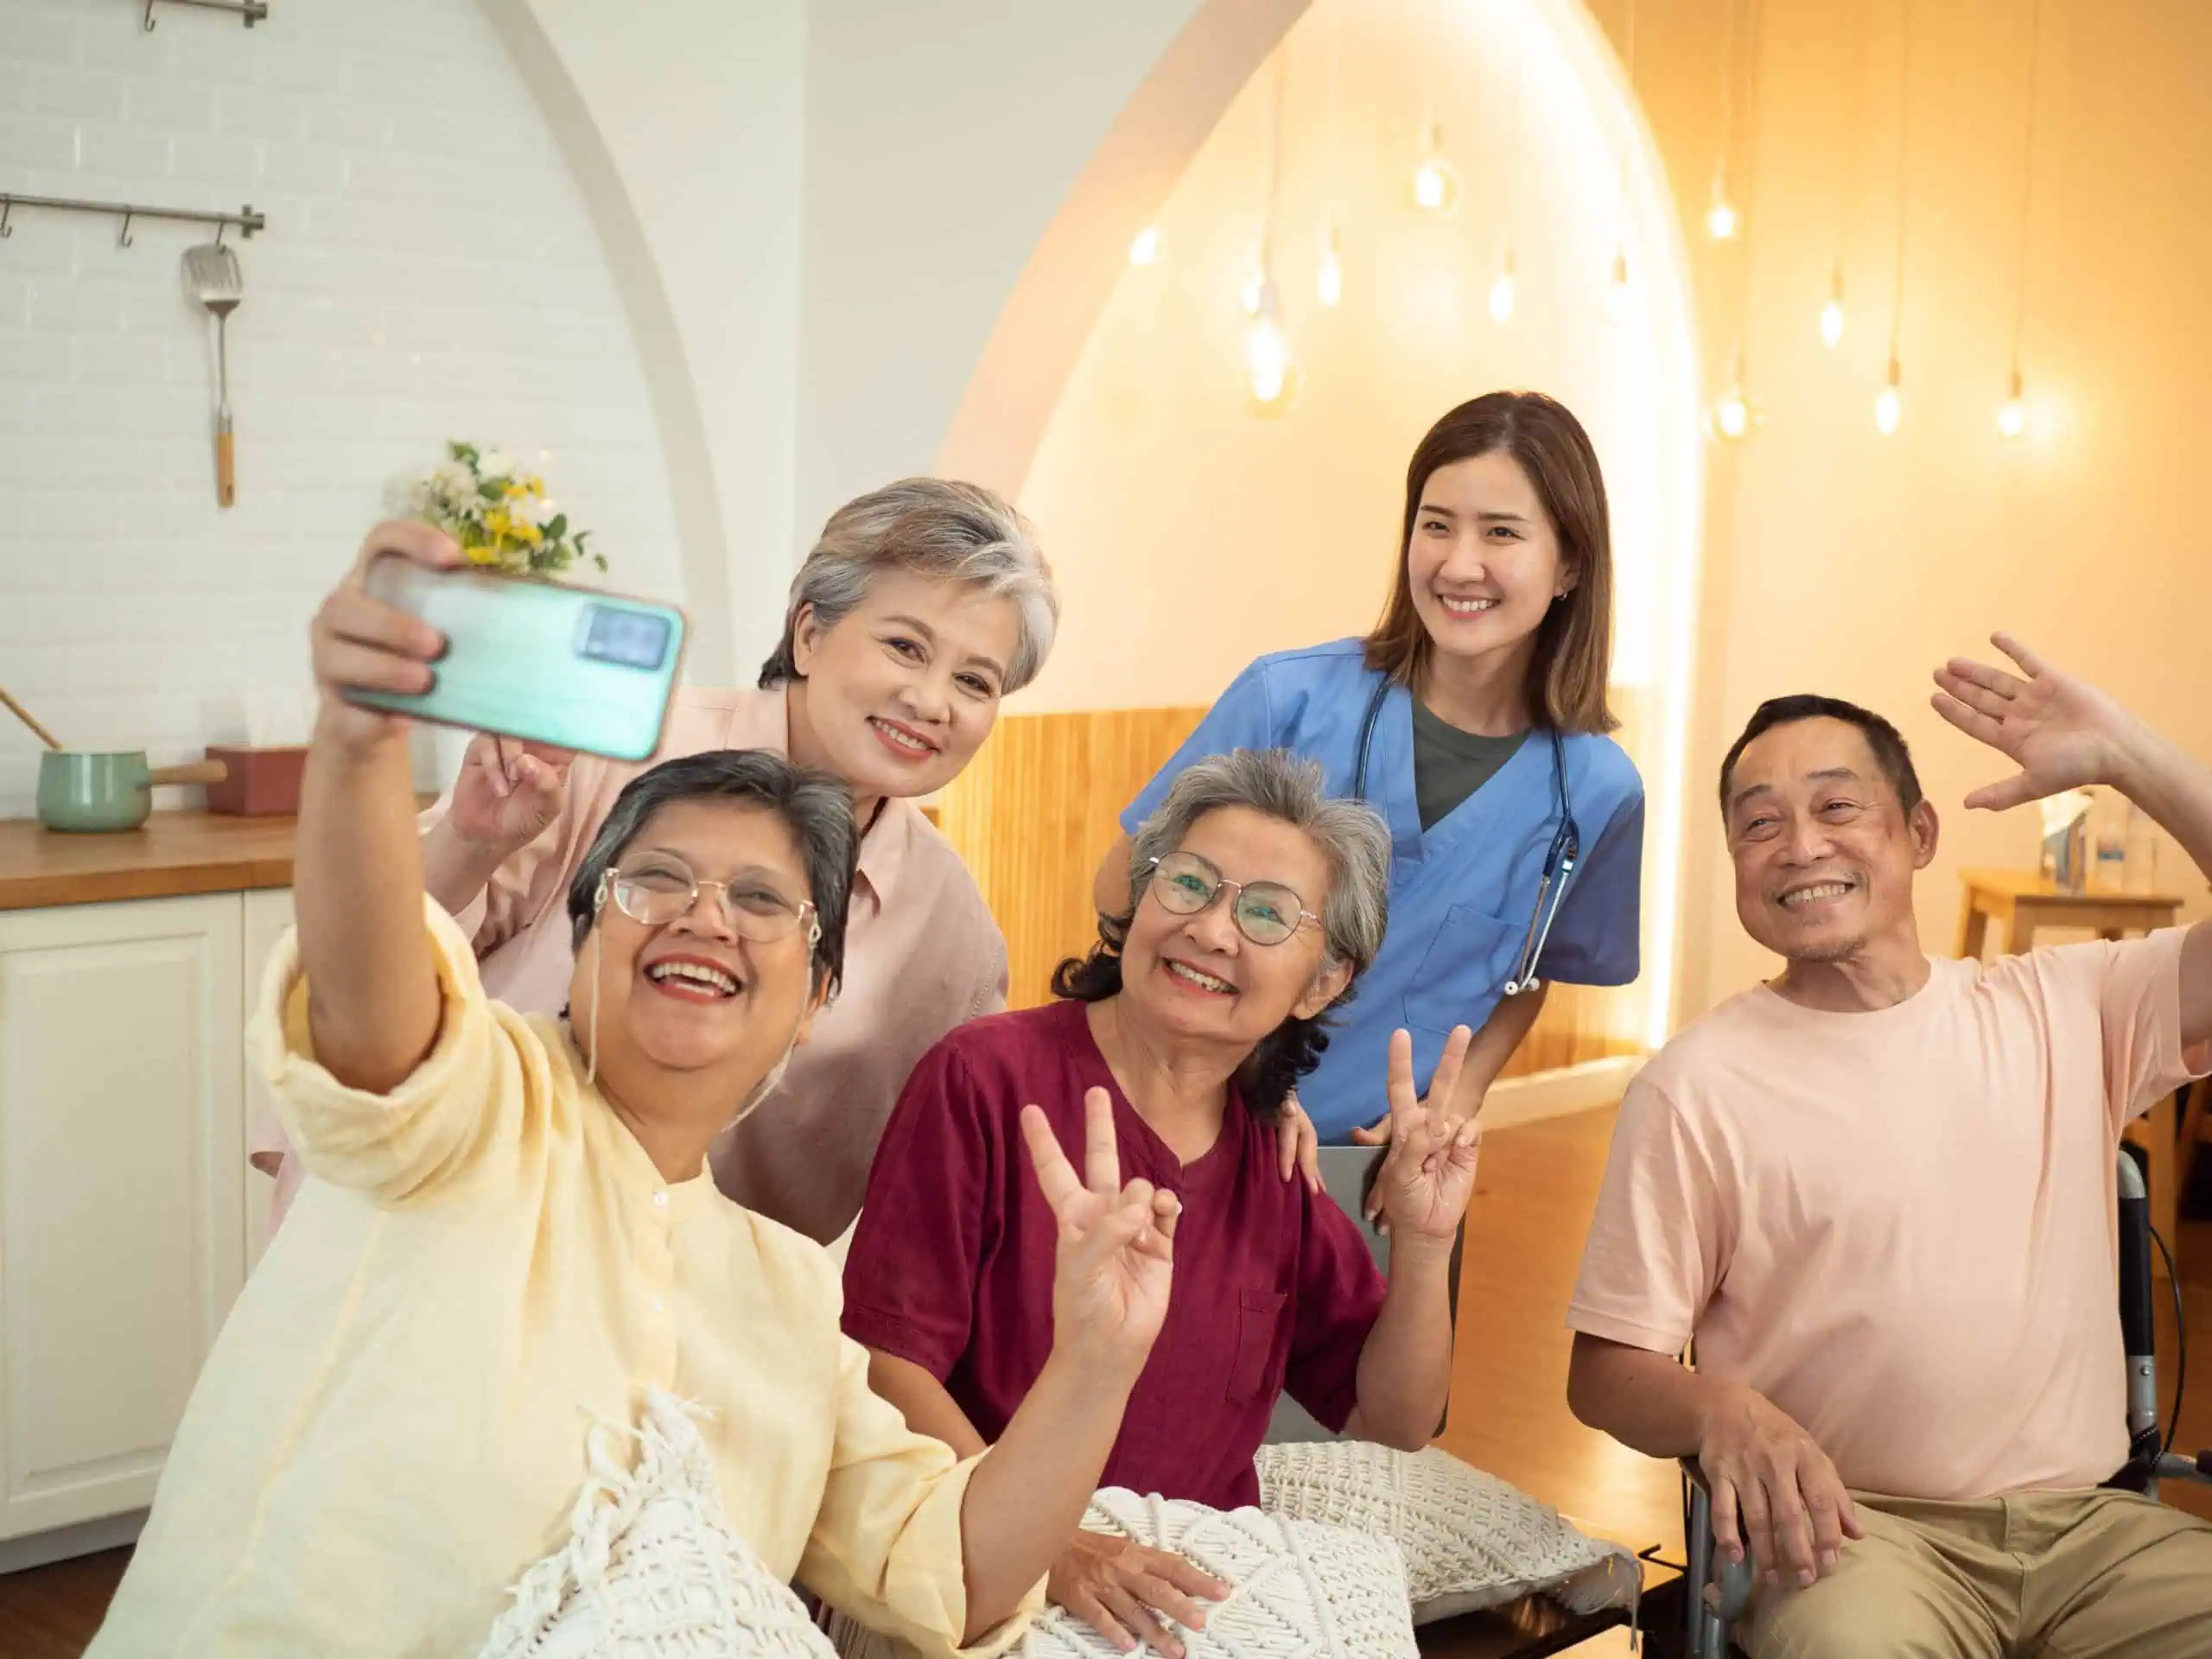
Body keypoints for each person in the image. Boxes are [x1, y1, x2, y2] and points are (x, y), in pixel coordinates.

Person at [92, 522, 1182, 1656]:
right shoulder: (483, 1103)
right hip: (434, 1205)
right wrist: (359, 743)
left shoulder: (788, 1306)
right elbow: (376, 998)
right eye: (656, 880)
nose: (706, 916)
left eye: (763, 904)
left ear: (816, 999)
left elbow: (947, 1562)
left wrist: (1098, 1357)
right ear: (587, 928)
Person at [1566, 635, 2212, 1658]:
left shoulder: (2062, 1005)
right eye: (1758, 824)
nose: (1799, 846)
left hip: (2094, 1533)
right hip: (1849, 1540)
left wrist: (2128, 755)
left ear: (1916, 832)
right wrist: (1719, 1407)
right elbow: (1604, 1372)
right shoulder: (1692, 1088)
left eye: (1835, 807)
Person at [253, 477, 1052, 1247]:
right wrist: (471, 835)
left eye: (974, 681)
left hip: (668, 1318)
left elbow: (949, 1180)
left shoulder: (951, 933)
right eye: (905, 647)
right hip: (431, 1212)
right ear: (809, 634)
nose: (931, 700)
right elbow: (371, 962)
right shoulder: (610, 742)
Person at [846, 750, 1481, 1658]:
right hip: (982, 1559)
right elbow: (885, 1363)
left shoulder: (1270, 1147)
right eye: (1188, 884)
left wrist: (1422, 1245)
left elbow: (1395, 1418)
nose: (1212, 930)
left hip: (1185, 1584)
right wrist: (1045, 1542)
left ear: (1321, 983)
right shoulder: (985, 1077)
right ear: (1138, 902)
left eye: (1266, 912)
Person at [1096, 392, 1644, 1150]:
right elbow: (1122, 888)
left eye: (1502, 533)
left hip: (1385, 1165)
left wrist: (1457, 1099)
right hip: (1190, 1136)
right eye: (1436, 525)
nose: (1459, 564)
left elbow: (1525, 974)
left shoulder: (1595, 792)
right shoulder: (1285, 699)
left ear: (1570, 564)